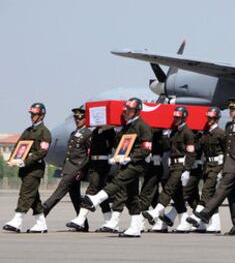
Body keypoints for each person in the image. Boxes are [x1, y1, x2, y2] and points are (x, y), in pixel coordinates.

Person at [79, 97, 153, 238]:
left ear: (137, 111)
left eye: (129, 110)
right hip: (125, 163)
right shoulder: (127, 127)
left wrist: (130, 158)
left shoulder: (143, 126)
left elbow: (146, 149)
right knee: (132, 197)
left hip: (136, 164)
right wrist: (118, 152)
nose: (126, 112)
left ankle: (96, 199)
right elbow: (120, 145)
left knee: (118, 181)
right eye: (126, 109)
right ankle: (135, 227)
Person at [192, 98, 235, 236]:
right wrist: (223, 166)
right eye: (230, 109)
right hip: (228, 164)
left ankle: (206, 213)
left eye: (233, 109)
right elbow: (226, 148)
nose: (231, 111)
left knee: (221, 189)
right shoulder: (229, 126)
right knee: (232, 197)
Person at [142, 106, 196, 233]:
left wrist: (187, 170)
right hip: (172, 165)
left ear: (183, 118)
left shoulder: (188, 133)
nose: (176, 119)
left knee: (168, 188)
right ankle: (184, 221)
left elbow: (191, 153)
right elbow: (168, 148)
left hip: (181, 166)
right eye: (175, 117)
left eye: (178, 117)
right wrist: (165, 136)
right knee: (177, 196)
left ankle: (156, 212)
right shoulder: (175, 132)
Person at [41, 106, 92, 232]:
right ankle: (83, 224)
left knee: (59, 191)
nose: (77, 120)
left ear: (85, 119)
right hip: (69, 167)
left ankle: (42, 213)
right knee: (75, 197)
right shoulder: (74, 133)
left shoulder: (88, 134)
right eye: (76, 118)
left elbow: (89, 155)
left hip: (76, 169)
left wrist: (83, 170)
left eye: (80, 118)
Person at [3, 103, 51, 233]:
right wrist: (12, 159)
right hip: (25, 169)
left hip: (34, 169)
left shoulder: (44, 132)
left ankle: (17, 221)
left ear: (42, 115)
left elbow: (42, 151)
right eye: (31, 114)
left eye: (35, 114)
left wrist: (27, 161)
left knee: (25, 194)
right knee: (33, 197)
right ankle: (41, 223)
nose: (32, 117)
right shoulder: (28, 131)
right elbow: (19, 146)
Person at [66, 125, 116, 231]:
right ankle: (110, 221)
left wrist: (104, 131)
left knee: (91, 189)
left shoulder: (109, 131)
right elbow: (90, 152)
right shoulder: (95, 132)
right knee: (100, 194)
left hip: (102, 164)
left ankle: (80, 218)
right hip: (94, 163)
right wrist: (84, 169)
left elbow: (109, 145)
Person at [186, 106, 226, 233]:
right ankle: (214, 224)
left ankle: (197, 216)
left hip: (217, 167)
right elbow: (198, 148)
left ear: (217, 119)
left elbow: (228, 153)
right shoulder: (205, 134)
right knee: (210, 196)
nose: (209, 120)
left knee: (206, 191)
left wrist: (223, 170)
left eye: (212, 118)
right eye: (208, 118)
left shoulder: (220, 133)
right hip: (207, 166)